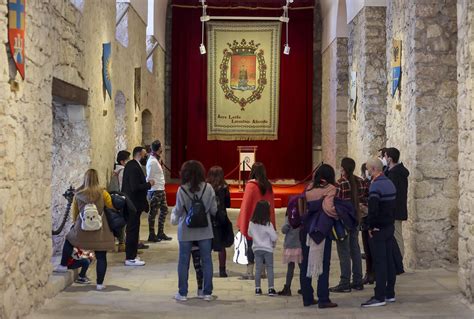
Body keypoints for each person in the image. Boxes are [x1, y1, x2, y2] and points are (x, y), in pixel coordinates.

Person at [54, 169, 115, 291]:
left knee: (69, 240)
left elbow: (75, 213)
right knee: (101, 256)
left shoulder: (79, 194)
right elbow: (111, 206)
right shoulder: (103, 193)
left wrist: (76, 225)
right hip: (100, 229)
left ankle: (63, 265)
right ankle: (99, 284)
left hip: (82, 228)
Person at [171, 160, 218, 302]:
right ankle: (207, 292)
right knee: (207, 260)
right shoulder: (208, 188)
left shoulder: (182, 190)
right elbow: (214, 210)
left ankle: (183, 293)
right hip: (205, 229)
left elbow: (178, 210)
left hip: (186, 229)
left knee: (183, 261)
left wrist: (173, 218)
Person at [300, 164, 338, 308]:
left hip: (306, 229)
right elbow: (328, 208)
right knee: (324, 264)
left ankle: (307, 297)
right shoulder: (330, 189)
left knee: (305, 264)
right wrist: (338, 214)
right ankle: (323, 298)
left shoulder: (309, 188)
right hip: (321, 230)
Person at [361, 158, 397, 307]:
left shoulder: (376, 186)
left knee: (380, 262)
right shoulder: (389, 183)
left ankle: (379, 296)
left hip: (379, 229)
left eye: (368, 169)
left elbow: (374, 210)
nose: (367, 172)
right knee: (389, 261)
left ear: (374, 169)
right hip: (389, 227)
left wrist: (370, 226)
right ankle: (390, 293)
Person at [330, 157, 367, 293]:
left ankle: (344, 282)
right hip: (356, 219)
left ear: (343, 169)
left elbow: (335, 202)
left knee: (344, 252)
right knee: (355, 250)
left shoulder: (339, 184)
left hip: (343, 221)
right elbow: (365, 199)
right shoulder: (361, 182)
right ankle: (357, 281)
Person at [236, 162, 275, 280]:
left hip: (252, 222)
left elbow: (245, 206)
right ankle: (263, 271)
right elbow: (271, 206)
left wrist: (242, 223)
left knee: (250, 247)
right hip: (265, 222)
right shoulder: (268, 186)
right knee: (264, 245)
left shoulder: (251, 186)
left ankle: (250, 272)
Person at [121, 146, 155, 266]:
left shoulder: (132, 165)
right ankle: (130, 258)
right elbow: (135, 187)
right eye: (145, 155)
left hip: (133, 204)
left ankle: (133, 255)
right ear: (139, 155)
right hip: (133, 205)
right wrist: (149, 184)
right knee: (132, 231)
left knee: (134, 230)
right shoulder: (134, 167)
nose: (146, 157)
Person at [248, 200, 278, 296]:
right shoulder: (268, 224)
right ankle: (270, 288)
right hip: (267, 249)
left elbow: (249, 233)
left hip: (257, 248)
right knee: (269, 268)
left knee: (257, 268)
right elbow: (274, 237)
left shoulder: (252, 223)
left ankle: (257, 288)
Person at [207, 166, 232, 277]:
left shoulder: (207, 187)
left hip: (209, 218)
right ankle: (222, 270)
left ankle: (207, 270)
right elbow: (228, 204)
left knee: (206, 245)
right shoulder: (224, 187)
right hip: (221, 218)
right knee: (221, 246)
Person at [385, 147, 409, 258]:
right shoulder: (397, 172)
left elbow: (392, 193)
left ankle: (398, 262)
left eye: (385, 156)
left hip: (395, 209)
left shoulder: (394, 174)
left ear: (389, 158)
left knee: (397, 236)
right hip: (398, 208)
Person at [146, 140, 172, 242]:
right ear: (158, 148)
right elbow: (150, 177)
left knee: (164, 209)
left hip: (161, 189)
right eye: (161, 147)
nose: (162, 148)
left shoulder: (156, 159)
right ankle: (151, 234)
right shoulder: (152, 161)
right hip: (155, 190)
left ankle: (160, 232)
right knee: (153, 212)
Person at [277, 207, 302, 296]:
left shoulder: (289, 218)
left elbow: (284, 229)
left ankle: (287, 287)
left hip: (290, 245)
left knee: (290, 268)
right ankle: (305, 286)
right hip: (300, 245)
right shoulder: (301, 216)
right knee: (302, 267)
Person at [113, 150, 130, 252]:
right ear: (123, 161)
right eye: (128, 159)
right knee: (124, 220)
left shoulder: (117, 170)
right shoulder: (123, 170)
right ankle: (122, 243)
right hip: (123, 197)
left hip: (118, 197)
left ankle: (122, 242)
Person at [360, 163, 375, 285]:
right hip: (369, 219)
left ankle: (370, 273)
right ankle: (370, 273)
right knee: (369, 249)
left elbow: (365, 199)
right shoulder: (369, 183)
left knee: (369, 248)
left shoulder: (368, 183)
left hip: (368, 219)